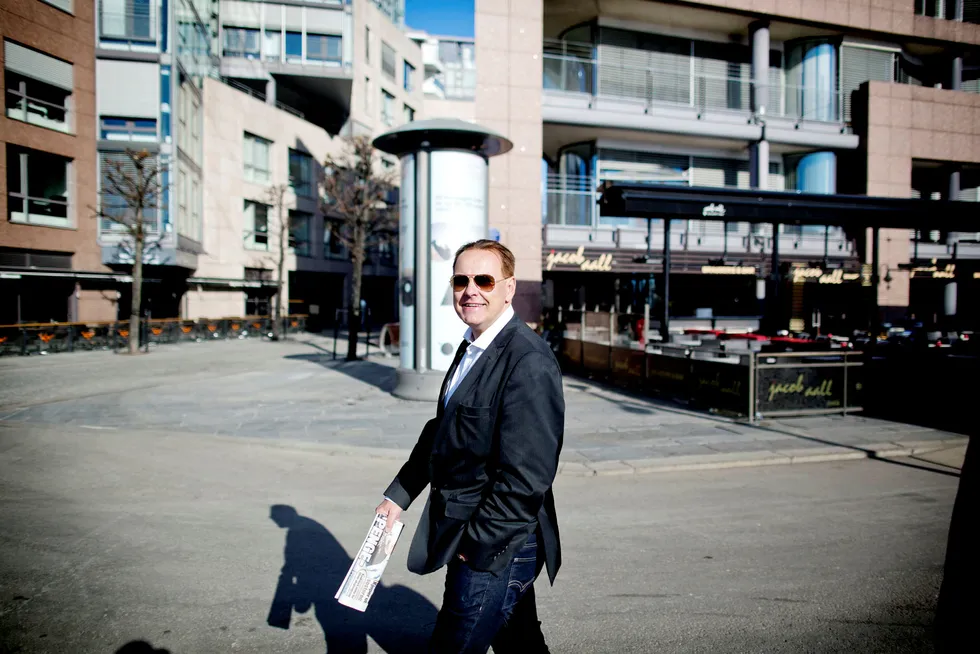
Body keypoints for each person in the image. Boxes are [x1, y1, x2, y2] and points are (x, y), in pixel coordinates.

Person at [376, 239, 564, 654]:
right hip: (479, 531)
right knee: (521, 644)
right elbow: (443, 429)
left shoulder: (527, 360)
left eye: (484, 280)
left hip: (496, 540)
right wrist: (400, 494)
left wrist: (477, 548)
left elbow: (527, 477)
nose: (470, 290)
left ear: (509, 288)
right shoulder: (473, 345)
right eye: (461, 280)